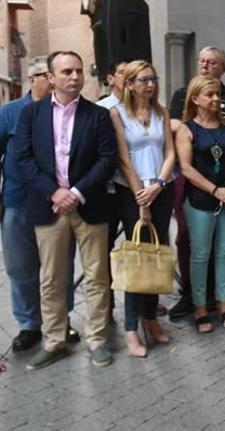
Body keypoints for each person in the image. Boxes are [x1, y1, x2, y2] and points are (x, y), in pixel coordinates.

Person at [16, 51, 118, 369]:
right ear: (51, 78)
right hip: (49, 208)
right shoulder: (31, 115)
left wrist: (75, 192)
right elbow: (23, 159)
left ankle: (97, 340)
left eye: (78, 71)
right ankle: (55, 339)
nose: (74, 77)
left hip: (89, 205)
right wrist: (55, 192)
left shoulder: (98, 115)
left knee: (97, 277)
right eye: (66, 72)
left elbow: (107, 159)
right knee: (51, 279)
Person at [0, 56, 79, 352]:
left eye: (51, 74)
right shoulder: (10, 113)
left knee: (60, 268)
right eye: (44, 75)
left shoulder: (64, 112)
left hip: (57, 204)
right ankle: (29, 325)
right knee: (21, 268)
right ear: (32, 80)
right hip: (18, 202)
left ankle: (61, 320)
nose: (50, 80)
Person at [167, 46, 225, 319]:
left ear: (223, 68)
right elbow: (177, 134)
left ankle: (220, 301)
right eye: (201, 61)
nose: (204, 65)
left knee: (224, 250)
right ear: (195, 98)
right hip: (197, 192)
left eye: (212, 62)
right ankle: (194, 300)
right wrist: (215, 190)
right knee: (193, 247)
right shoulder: (182, 101)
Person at [108, 60, 175, 356]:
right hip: (132, 192)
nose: (150, 84)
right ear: (130, 84)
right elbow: (123, 159)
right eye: (143, 79)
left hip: (161, 188)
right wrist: (141, 197)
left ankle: (151, 320)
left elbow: (170, 152)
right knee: (137, 258)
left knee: (157, 256)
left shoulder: (162, 112)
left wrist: (159, 184)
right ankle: (131, 329)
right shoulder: (117, 113)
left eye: (153, 78)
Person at [96, 58, 130, 319]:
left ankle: (140, 297)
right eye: (122, 73)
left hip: (133, 189)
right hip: (107, 189)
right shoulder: (101, 109)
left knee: (137, 246)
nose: (128, 77)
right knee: (105, 247)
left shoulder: (143, 107)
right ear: (110, 79)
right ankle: (106, 305)